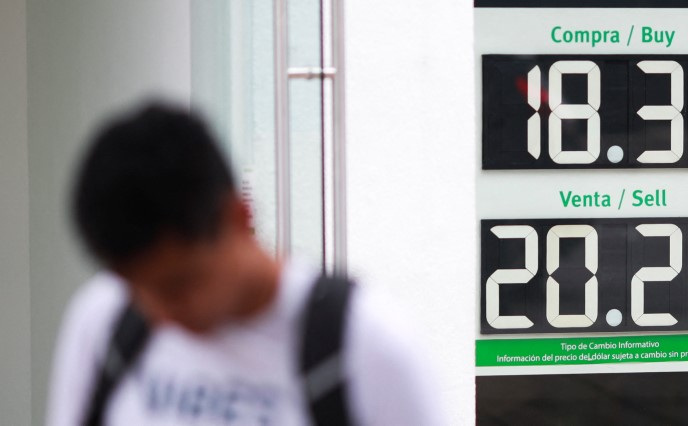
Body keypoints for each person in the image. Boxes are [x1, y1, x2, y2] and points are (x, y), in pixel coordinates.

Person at [47, 102, 445, 425]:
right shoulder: (104, 319)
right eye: (135, 288)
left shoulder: (366, 346)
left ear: (239, 217)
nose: (160, 313)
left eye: (178, 286)